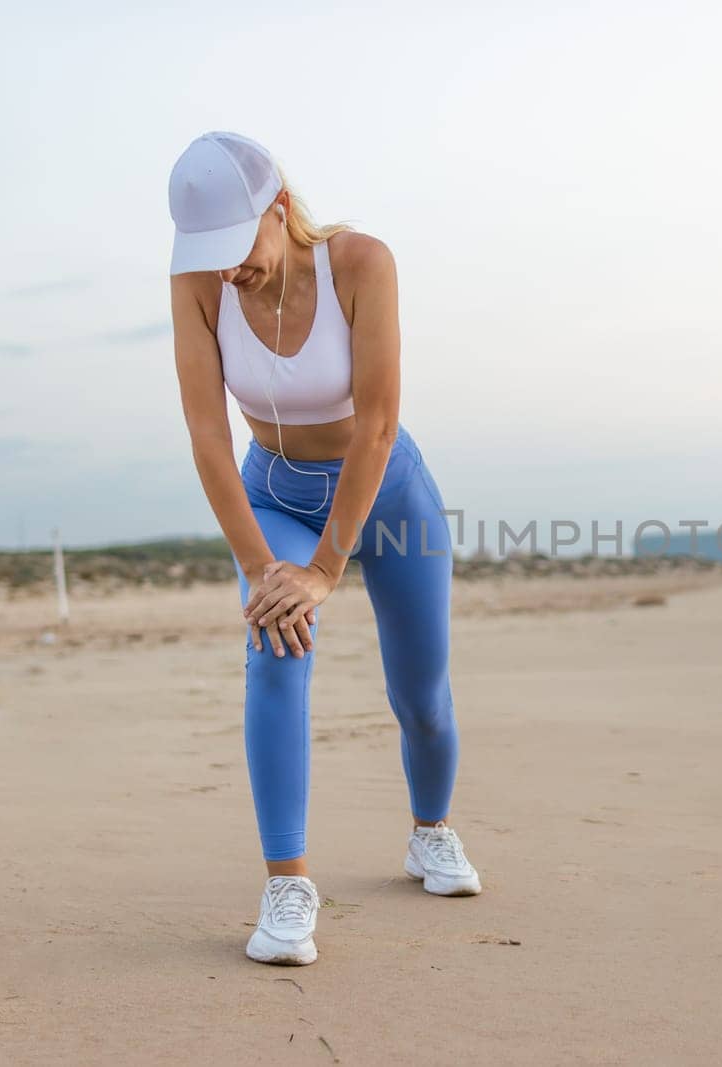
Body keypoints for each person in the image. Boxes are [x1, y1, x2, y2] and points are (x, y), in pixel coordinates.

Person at [166, 131, 481, 967]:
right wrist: (269, 570)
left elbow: (377, 422)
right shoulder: (198, 287)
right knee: (276, 642)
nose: (229, 270)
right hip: (273, 494)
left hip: (386, 493)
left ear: (279, 210)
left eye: (237, 249)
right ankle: (287, 883)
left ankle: (430, 832)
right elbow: (205, 434)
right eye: (209, 255)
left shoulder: (363, 263)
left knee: (422, 693)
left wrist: (326, 569)